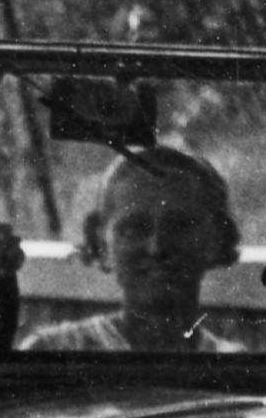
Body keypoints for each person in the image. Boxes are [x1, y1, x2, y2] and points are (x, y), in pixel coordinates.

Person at [22, 147, 247, 353]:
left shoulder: (232, 364)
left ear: (216, 238)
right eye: (134, 229)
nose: (156, 248)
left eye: (179, 227)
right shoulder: (54, 351)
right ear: (101, 242)